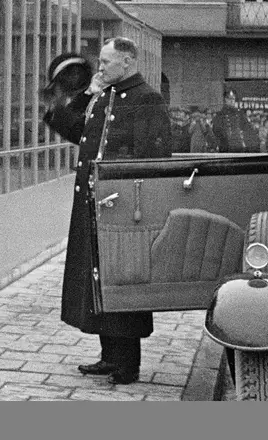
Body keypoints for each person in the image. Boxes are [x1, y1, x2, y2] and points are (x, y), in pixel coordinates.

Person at [42, 38, 171, 385]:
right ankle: (109, 356)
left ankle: (127, 364)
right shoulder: (106, 96)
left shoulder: (147, 98)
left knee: (121, 283)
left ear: (127, 63)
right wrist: (85, 95)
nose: (98, 68)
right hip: (93, 204)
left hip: (123, 208)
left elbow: (153, 159)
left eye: (106, 62)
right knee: (97, 283)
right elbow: (72, 129)